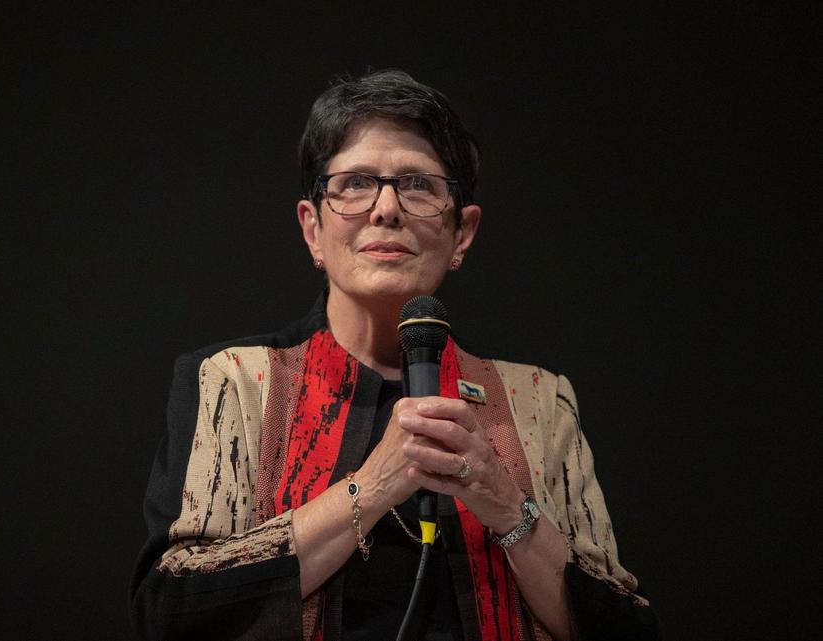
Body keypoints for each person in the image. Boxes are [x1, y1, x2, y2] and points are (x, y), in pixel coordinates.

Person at [130, 69, 660, 641]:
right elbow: (170, 616)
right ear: (312, 228)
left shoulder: (537, 400)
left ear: (462, 233)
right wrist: (375, 484)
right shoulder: (236, 382)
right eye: (355, 183)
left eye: (418, 185)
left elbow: (626, 630)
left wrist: (507, 504)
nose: (387, 208)